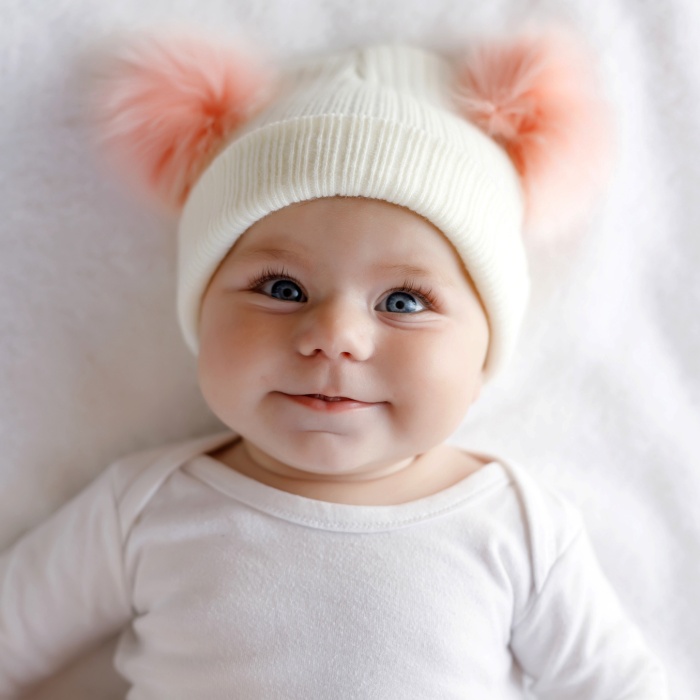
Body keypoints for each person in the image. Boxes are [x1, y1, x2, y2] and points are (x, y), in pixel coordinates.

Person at [0, 27, 668, 699]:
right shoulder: (143, 508)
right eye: (282, 289)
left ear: (485, 350)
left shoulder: (517, 528)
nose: (335, 336)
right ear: (202, 312)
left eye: (404, 300)